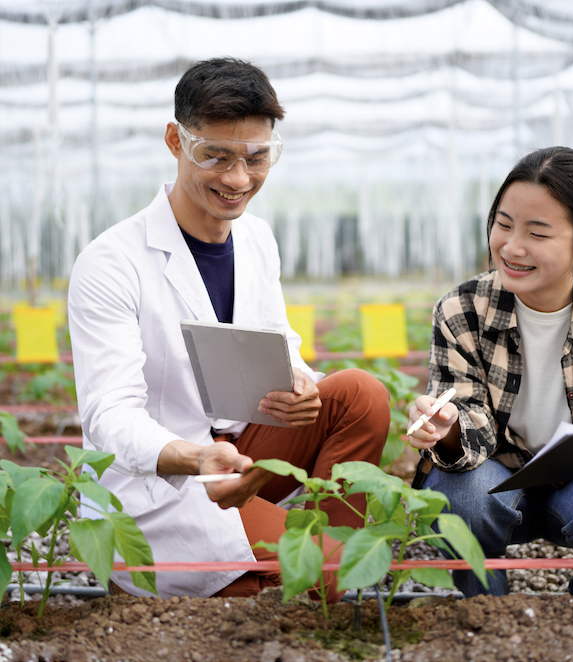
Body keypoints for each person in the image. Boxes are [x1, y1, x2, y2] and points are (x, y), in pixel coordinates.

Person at [68, 57, 390, 600]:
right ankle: (309, 569)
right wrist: (195, 457)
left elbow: (276, 339)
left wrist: (299, 382)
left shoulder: (257, 239)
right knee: (289, 575)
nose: (238, 179)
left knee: (361, 394)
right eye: (215, 155)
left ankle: (314, 557)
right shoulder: (111, 263)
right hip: (171, 477)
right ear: (176, 140)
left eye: (256, 158)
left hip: (245, 448)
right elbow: (110, 416)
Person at [407, 146, 573, 597]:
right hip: (496, 481)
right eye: (503, 224)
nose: (511, 247)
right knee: (461, 498)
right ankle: (484, 604)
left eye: (538, 233)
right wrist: (447, 430)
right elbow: (466, 430)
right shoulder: (461, 310)